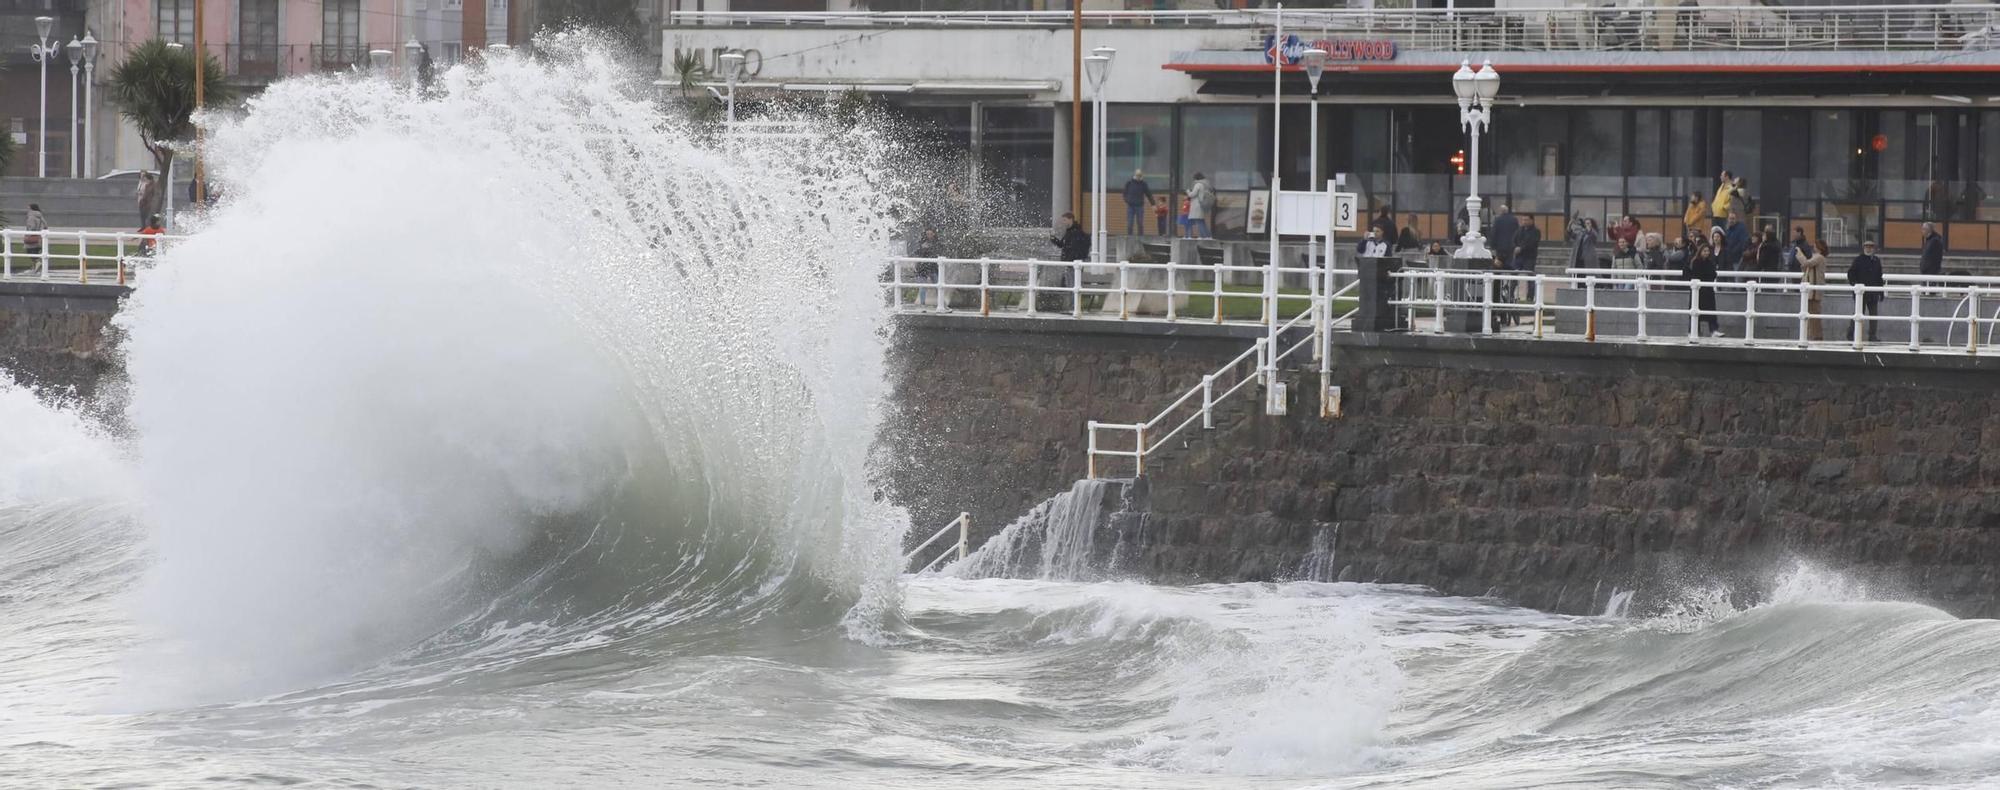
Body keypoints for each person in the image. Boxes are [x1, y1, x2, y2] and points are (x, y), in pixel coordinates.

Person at [1847, 240, 1885, 342]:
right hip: (1861, 293)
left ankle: (1872, 335)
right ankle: (1851, 334)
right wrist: (1855, 285)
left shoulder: (1876, 260)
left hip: (1873, 292)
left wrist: (1881, 292)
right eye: (1867, 247)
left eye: (1871, 247)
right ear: (1864, 248)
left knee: (1874, 315)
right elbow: (1851, 274)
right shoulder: (1858, 260)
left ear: (1874, 249)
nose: (1869, 249)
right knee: (1858, 313)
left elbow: (1879, 277)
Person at [1682, 241, 1721, 337]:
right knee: (1695, 311)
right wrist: (1693, 282)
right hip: (1697, 290)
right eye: (1704, 251)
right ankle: (1693, 331)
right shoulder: (1694, 262)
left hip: (1708, 290)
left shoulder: (1710, 262)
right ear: (1700, 251)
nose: (1706, 253)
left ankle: (1713, 330)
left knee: (1711, 311)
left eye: (1708, 251)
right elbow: (1687, 272)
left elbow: (1713, 274)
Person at [1800, 238, 1829, 342]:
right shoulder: (1817, 257)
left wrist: (1800, 255)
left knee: (1814, 313)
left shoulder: (1819, 257)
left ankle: (1816, 335)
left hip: (1815, 290)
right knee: (1811, 313)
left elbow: (1807, 263)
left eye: (1815, 246)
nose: (1814, 247)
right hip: (1812, 289)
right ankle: (1812, 334)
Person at [1488, 204, 1519, 271]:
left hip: (1500, 247)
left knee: (1498, 265)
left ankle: (1498, 280)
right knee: (1511, 265)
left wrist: (1492, 246)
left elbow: (1494, 233)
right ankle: (1513, 280)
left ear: (1500, 211)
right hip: (1511, 246)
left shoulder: (1497, 220)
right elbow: (1517, 232)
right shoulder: (1514, 219)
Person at [1122, 170, 1153, 236]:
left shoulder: (1143, 184)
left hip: (1140, 206)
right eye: (1137, 176)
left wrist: (1153, 204)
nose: (1138, 177)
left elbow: (1148, 194)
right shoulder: (1129, 183)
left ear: (1141, 176)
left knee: (1140, 223)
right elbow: (1124, 193)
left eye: (1140, 176)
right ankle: (1129, 237)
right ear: (1135, 175)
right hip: (1131, 206)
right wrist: (1127, 200)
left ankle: (1140, 237)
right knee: (1130, 223)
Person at [1184, 174, 1214, 239]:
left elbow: (1192, 194)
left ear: (1196, 178)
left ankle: (1205, 236)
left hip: (1197, 205)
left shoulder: (1198, 184)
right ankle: (1207, 236)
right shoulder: (1206, 185)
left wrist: (1188, 191)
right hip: (1201, 204)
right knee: (1201, 221)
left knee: (1198, 221)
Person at [1920, 221, 1945, 289]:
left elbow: (1936, 257)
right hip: (1926, 270)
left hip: (1931, 271)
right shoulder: (1929, 240)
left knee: (1929, 290)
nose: (1922, 231)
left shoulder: (1935, 241)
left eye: (1923, 229)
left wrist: (1927, 267)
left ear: (1928, 230)